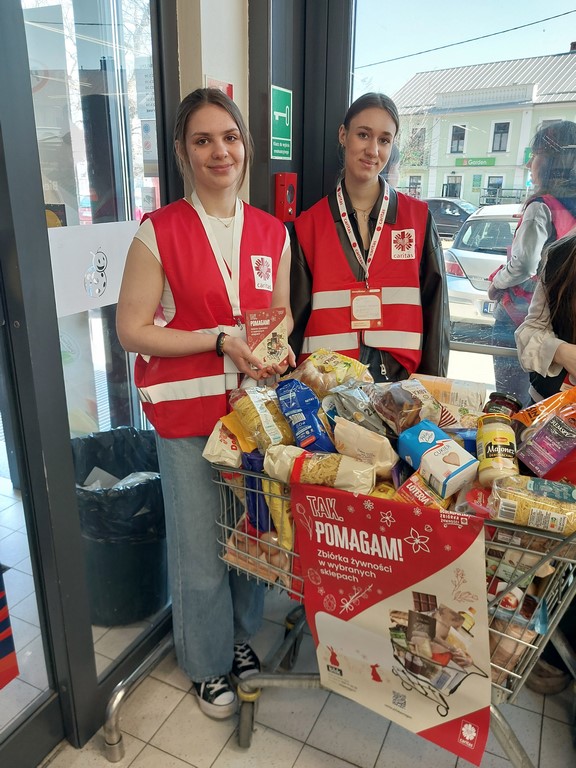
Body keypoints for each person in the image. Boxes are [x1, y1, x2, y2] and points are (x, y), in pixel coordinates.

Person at [116, 88, 295, 720]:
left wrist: (276, 348)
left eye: (231, 137)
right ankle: (205, 662)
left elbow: (278, 317)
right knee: (198, 552)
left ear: (246, 146)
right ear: (183, 152)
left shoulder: (273, 233)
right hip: (188, 420)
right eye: (203, 140)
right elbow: (133, 329)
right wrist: (217, 339)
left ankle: (240, 640)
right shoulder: (158, 231)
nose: (220, 151)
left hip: (252, 422)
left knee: (250, 539)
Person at [289, 92, 449, 382]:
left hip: (399, 381)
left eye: (384, 140)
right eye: (363, 135)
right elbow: (295, 321)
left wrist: (433, 387)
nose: (373, 150)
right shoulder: (307, 226)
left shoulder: (418, 220)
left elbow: (436, 312)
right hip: (326, 384)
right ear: (343, 135)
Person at [515, 231, 576, 694]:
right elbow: (529, 333)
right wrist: (563, 351)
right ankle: (549, 651)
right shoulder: (562, 255)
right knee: (549, 548)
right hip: (553, 430)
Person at [487, 120, 576, 406]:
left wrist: (496, 283)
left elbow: (524, 264)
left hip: (524, 313)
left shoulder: (541, 206)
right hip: (561, 318)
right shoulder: (569, 205)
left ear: (550, 161)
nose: (529, 165)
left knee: (509, 398)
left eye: (535, 155)